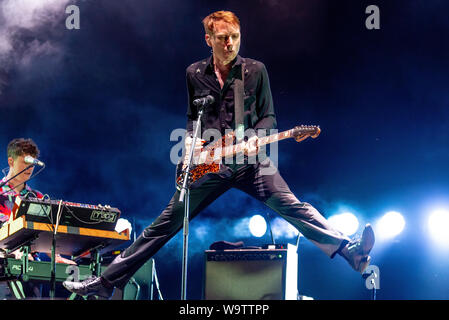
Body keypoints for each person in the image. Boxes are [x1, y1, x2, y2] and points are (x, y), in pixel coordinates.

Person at [62, 10, 375, 299]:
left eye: (235, 37)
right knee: (164, 224)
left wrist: (256, 137)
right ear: (208, 39)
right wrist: (190, 149)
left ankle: (350, 251)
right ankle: (105, 283)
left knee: (293, 206)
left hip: (251, 163)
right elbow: (192, 119)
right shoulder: (194, 74)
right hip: (211, 165)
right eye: (223, 37)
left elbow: (270, 118)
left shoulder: (255, 71)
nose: (230, 43)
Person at [0, 138, 75, 298]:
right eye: (25, 162)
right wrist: (12, 253)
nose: (29, 168)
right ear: (11, 161)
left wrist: (56, 257)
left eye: (32, 163)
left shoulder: (37, 197)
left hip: (30, 268)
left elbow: (45, 234)